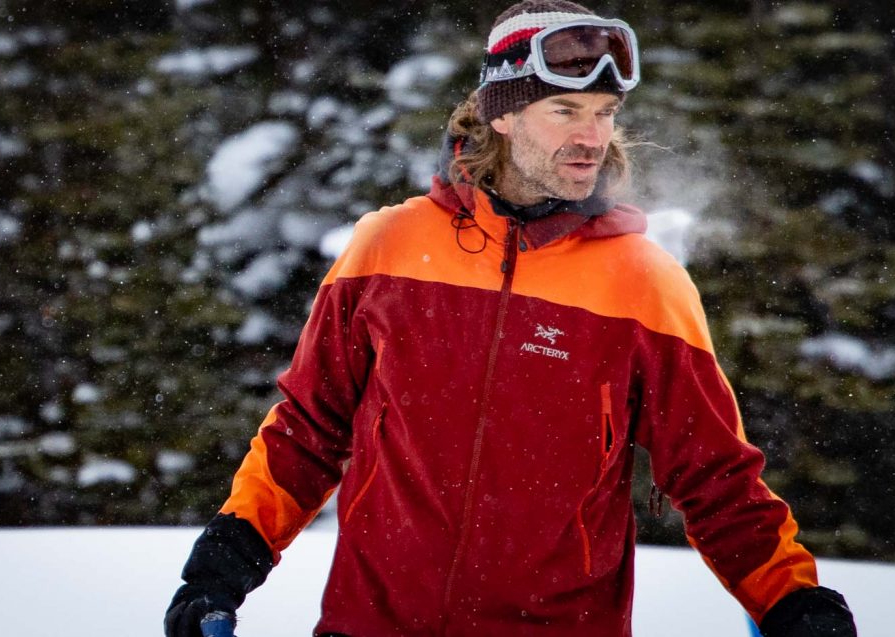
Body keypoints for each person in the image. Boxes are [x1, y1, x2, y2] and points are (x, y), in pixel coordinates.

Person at [165, 2, 858, 635]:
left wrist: (791, 599)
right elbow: (306, 431)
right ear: (501, 113)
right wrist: (224, 564)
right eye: (564, 111)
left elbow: (716, 478)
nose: (592, 135)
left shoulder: (643, 282)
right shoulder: (389, 246)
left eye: (606, 111)